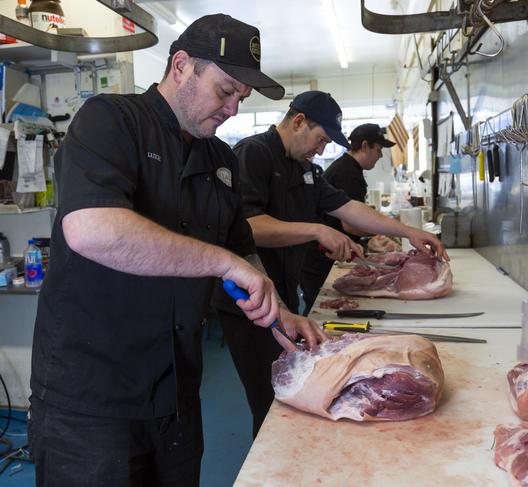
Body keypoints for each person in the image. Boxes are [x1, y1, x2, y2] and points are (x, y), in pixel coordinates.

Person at [29, 14, 325, 487]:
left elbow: (240, 249)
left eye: (241, 99)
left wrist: (278, 311)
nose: (231, 109)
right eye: (225, 91)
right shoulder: (110, 120)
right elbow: (90, 230)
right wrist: (221, 261)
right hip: (92, 403)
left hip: (177, 393)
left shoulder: (221, 160)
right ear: (181, 65)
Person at [217, 90, 449, 435]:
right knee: (270, 403)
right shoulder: (254, 154)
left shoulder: (306, 169)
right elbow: (249, 226)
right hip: (250, 301)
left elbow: (349, 208)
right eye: (321, 139)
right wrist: (315, 231)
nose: (322, 150)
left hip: (285, 295)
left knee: (297, 388)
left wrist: (408, 231)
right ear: (298, 122)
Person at [300, 123, 396, 314]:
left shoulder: (347, 167)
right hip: (321, 257)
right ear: (365, 146)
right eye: (378, 150)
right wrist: (385, 229)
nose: (380, 156)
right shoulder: (348, 173)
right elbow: (351, 225)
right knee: (320, 313)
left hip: (325, 254)